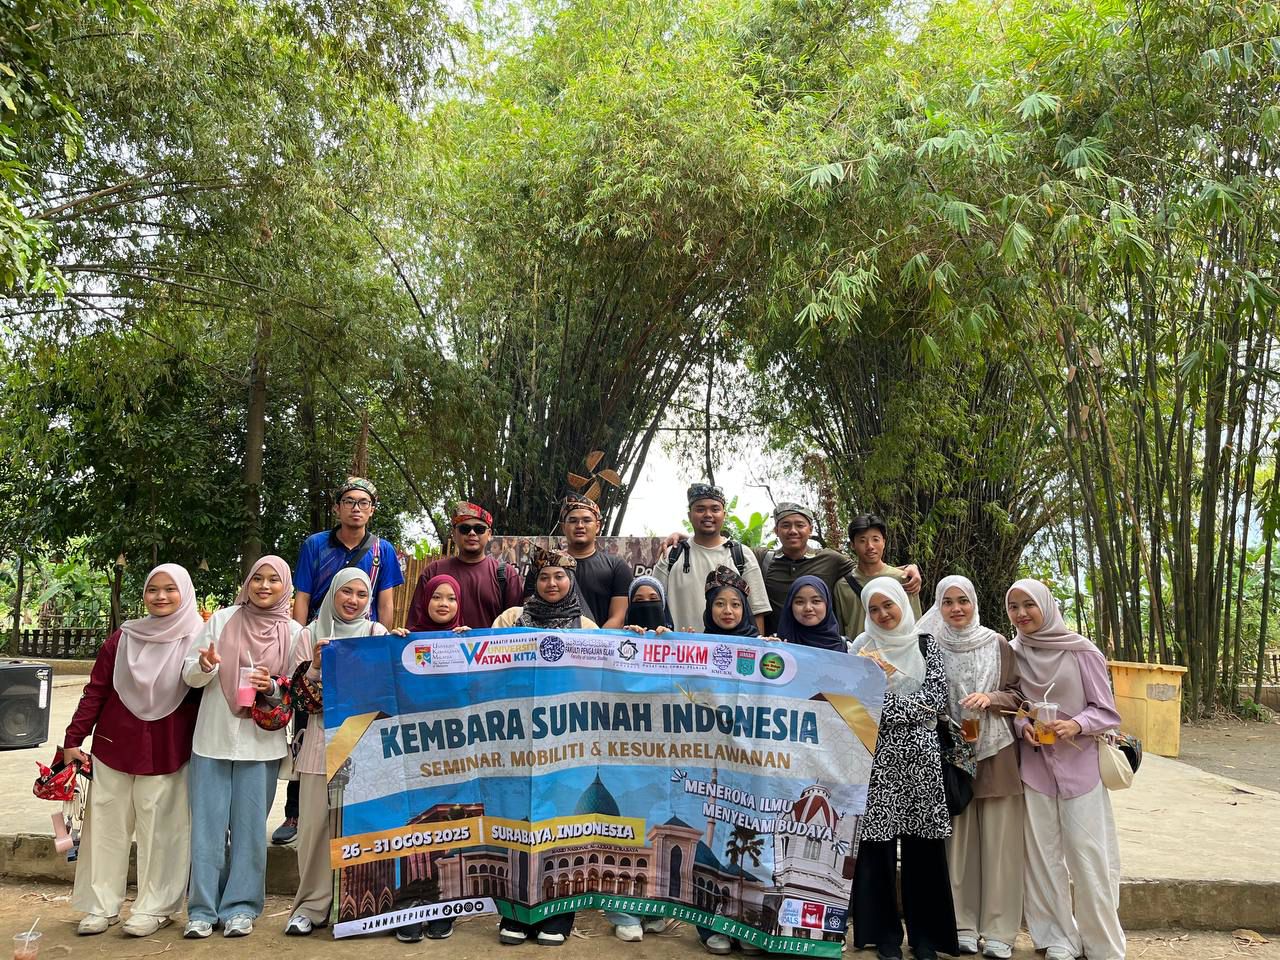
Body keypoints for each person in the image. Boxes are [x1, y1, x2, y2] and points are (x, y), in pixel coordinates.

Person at [281, 570, 430, 938]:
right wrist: (316, 667)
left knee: (369, 826)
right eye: (346, 592)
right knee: (315, 830)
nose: (353, 600)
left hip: (366, 747)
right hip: (319, 746)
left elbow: (391, 688)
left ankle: (370, 908)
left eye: (362, 594)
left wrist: (400, 648)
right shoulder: (308, 636)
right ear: (332, 593)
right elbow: (298, 699)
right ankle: (311, 907)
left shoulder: (376, 635)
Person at [61, 564, 203, 937]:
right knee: (105, 827)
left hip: (169, 748)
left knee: (163, 831)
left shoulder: (199, 639)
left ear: (185, 592)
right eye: (153, 589)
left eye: (170, 589)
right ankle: (100, 905)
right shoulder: (124, 638)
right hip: (114, 745)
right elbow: (96, 690)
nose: (160, 596)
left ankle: (156, 907)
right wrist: (73, 739)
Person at [277, 476, 404, 844]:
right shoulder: (315, 545)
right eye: (349, 501)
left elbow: (385, 601)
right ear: (337, 507)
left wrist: (378, 644)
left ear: (372, 509)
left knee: (358, 723)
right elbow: (303, 594)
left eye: (363, 502)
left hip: (361, 643)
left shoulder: (382, 549)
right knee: (308, 728)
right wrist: (303, 636)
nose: (356, 508)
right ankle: (296, 813)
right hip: (322, 636)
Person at [181, 556, 302, 939]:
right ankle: (202, 909)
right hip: (212, 740)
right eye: (257, 579)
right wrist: (205, 665)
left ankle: (241, 908)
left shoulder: (294, 632)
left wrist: (274, 686)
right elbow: (190, 674)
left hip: (260, 745)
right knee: (207, 830)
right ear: (247, 583)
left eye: (273, 580)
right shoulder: (221, 620)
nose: (264, 586)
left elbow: (298, 687)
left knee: (250, 832)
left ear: (286, 587)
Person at [1006, 579, 1125, 960]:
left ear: (1046, 605)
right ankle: (1057, 937)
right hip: (1036, 769)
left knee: (1089, 857)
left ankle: (1102, 944)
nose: (1021, 613)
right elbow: (1015, 706)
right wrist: (1023, 728)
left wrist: (1076, 724)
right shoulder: (1013, 652)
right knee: (1042, 859)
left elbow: (1106, 711)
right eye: (1013, 607)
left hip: (1081, 768)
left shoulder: (1081, 651)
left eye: (1029, 604)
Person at [848, 577, 958, 960]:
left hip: (922, 762)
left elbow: (936, 698)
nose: (883, 614)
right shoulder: (860, 649)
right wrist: (900, 711)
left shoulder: (925, 645)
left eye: (888, 605)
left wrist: (884, 709)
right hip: (875, 763)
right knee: (876, 848)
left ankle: (926, 937)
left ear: (902, 603)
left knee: (923, 848)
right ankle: (884, 936)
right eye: (874, 609)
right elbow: (853, 706)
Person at [919, 576, 1023, 959]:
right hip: (951, 755)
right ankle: (961, 925)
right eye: (947, 602)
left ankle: (1000, 931)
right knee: (958, 846)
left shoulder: (997, 643)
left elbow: (1018, 695)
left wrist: (991, 698)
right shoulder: (929, 645)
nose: (956, 608)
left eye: (962, 600)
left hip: (995, 750)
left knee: (1000, 844)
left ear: (974, 602)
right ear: (938, 606)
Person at [607, 577, 673, 941]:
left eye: (653, 599)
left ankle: (655, 908)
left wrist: (675, 644)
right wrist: (623, 645)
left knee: (659, 829)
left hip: (665, 756)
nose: (647, 606)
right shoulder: (614, 645)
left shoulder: (680, 643)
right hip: (624, 756)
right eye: (639, 600)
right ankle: (622, 911)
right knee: (625, 828)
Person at [762, 503, 921, 633]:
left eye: (800, 525)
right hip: (781, 647)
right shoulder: (764, 559)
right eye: (786, 525)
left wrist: (907, 570)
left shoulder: (830, 559)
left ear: (810, 529)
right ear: (776, 530)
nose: (793, 531)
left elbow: (869, 569)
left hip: (824, 646)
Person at [654, 483, 770, 633]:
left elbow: (757, 610)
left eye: (715, 509)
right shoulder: (671, 556)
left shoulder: (742, 555)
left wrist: (757, 644)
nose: (708, 515)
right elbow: (653, 604)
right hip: (679, 646)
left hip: (728, 647)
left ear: (724, 515)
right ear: (689, 516)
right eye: (700, 509)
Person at [406, 502, 523, 629]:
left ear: (489, 534)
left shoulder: (506, 574)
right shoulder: (433, 572)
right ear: (454, 534)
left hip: (492, 643)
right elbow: (416, 626)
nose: (472, 533)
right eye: (464, 529)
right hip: (442, 643)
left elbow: (517, 626)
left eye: (479, 529)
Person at [834, 514, 922, 640]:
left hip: (897, 650)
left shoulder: (903, 579)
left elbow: (916, 624)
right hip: (858, 650)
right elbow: (840, 630)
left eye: (875, 539)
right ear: (853, 545)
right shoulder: (842, 586)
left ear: (884, 542)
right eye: (862, 541)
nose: (870, 546)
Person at [559, 494, 631, 627]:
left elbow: (618, 618)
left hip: (602, 638)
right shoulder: (547, 566)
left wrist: (593, 638)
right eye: (573, 521)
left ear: (597, 526)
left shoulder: (616, 566)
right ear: (563, 527)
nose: (580, 525)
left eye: (587, 520)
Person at [493, 547, 599, 629]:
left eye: (559, 577)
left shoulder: (586, 628)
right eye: (544, 578)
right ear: (536, 583)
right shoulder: (510, 619)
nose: (551, 583)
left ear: (571, 581)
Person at [775, 575, 847, 651]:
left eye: (816, 601)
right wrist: (771, 650)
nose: (808, 608)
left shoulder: (847, 649)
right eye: (800, 602)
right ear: (790, 605)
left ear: (827, 605)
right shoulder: (777, 644)